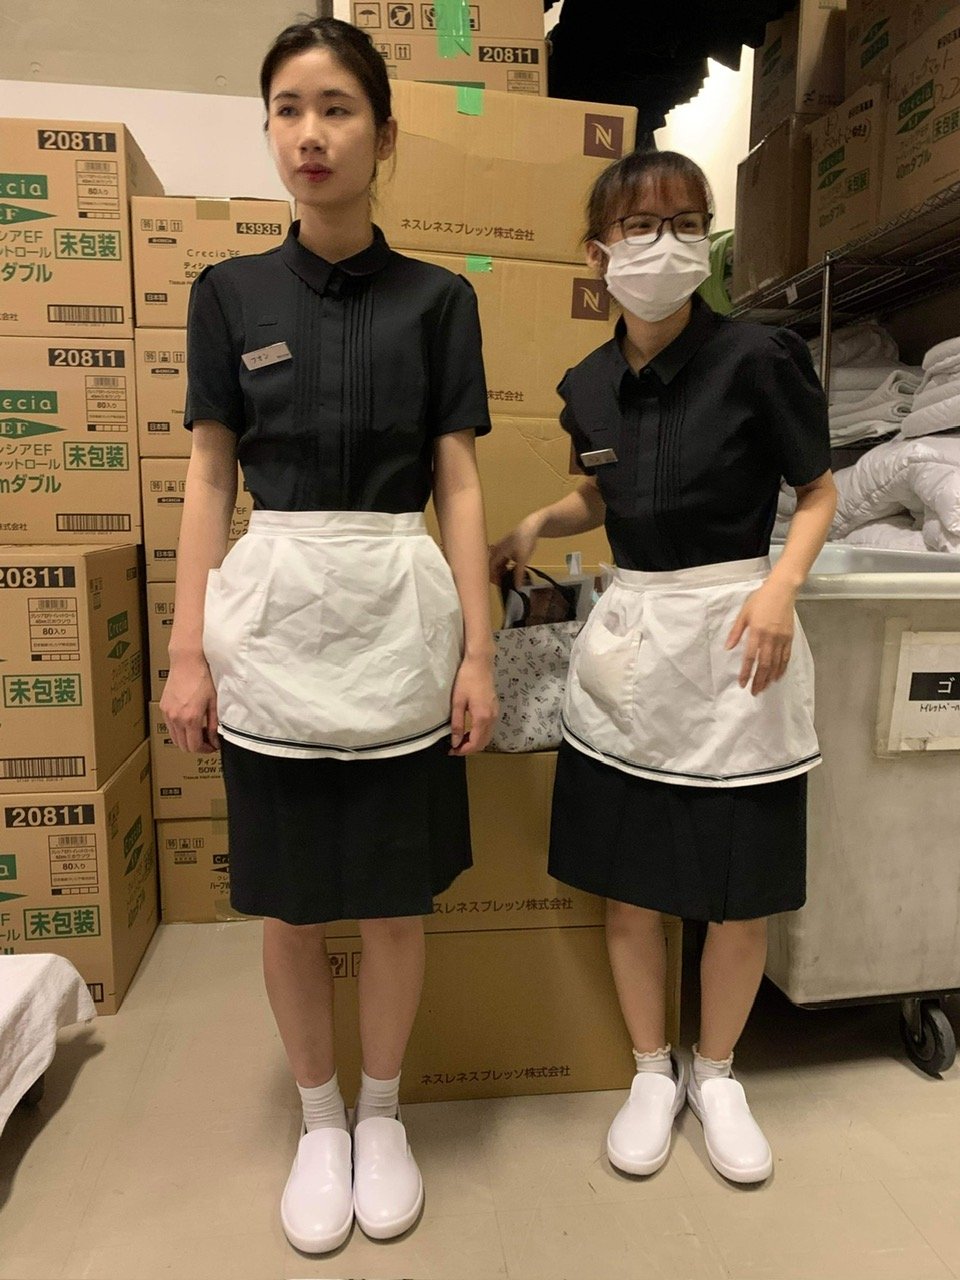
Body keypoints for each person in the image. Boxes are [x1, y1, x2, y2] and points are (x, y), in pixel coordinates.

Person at [160, 18, 497, 1253]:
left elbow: (459, 483)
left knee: (397, 901)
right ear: (269, 130)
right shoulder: (228, 294)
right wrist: (186, 651)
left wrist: (476, 652)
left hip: (402, 616)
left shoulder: (441, 300)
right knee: (293, 905)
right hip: (272, 624)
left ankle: (385, 1112)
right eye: (289, 108)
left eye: (338, 108)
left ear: (384, 135)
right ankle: (318, 1119)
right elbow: (209, 478)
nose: (312, 133)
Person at [490, 150, 836, 1185]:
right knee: (633, 884)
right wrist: (537, 520)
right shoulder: (587, 386)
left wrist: (780, 588)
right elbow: (602, 493)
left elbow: (817, 491)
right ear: (597, 253)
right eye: (640, 227)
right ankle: (652, 1070)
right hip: (634, 635)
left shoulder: (760, 357)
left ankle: (717, 1072)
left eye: (687, 222)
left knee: (737, 890)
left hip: (740, 635)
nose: (667, 244)